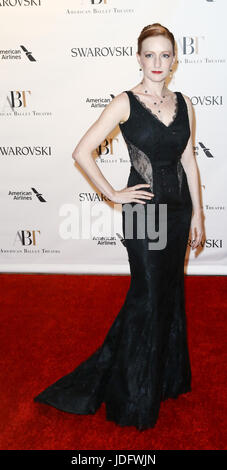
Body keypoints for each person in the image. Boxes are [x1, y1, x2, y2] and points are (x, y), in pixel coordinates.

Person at [34, 23, 204, 431]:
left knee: (168, 292)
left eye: (165, 55)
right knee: (146, 297)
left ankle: (165, 378)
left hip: (178, 212)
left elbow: (188, 160)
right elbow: (82, 151)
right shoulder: (125, 102)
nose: (158, 63)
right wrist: (113, 194)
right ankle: (132, 393)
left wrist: (198, 213)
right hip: (144, 216)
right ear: (139, 57)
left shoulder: (185, 102)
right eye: (150, 54)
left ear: (174, 59)